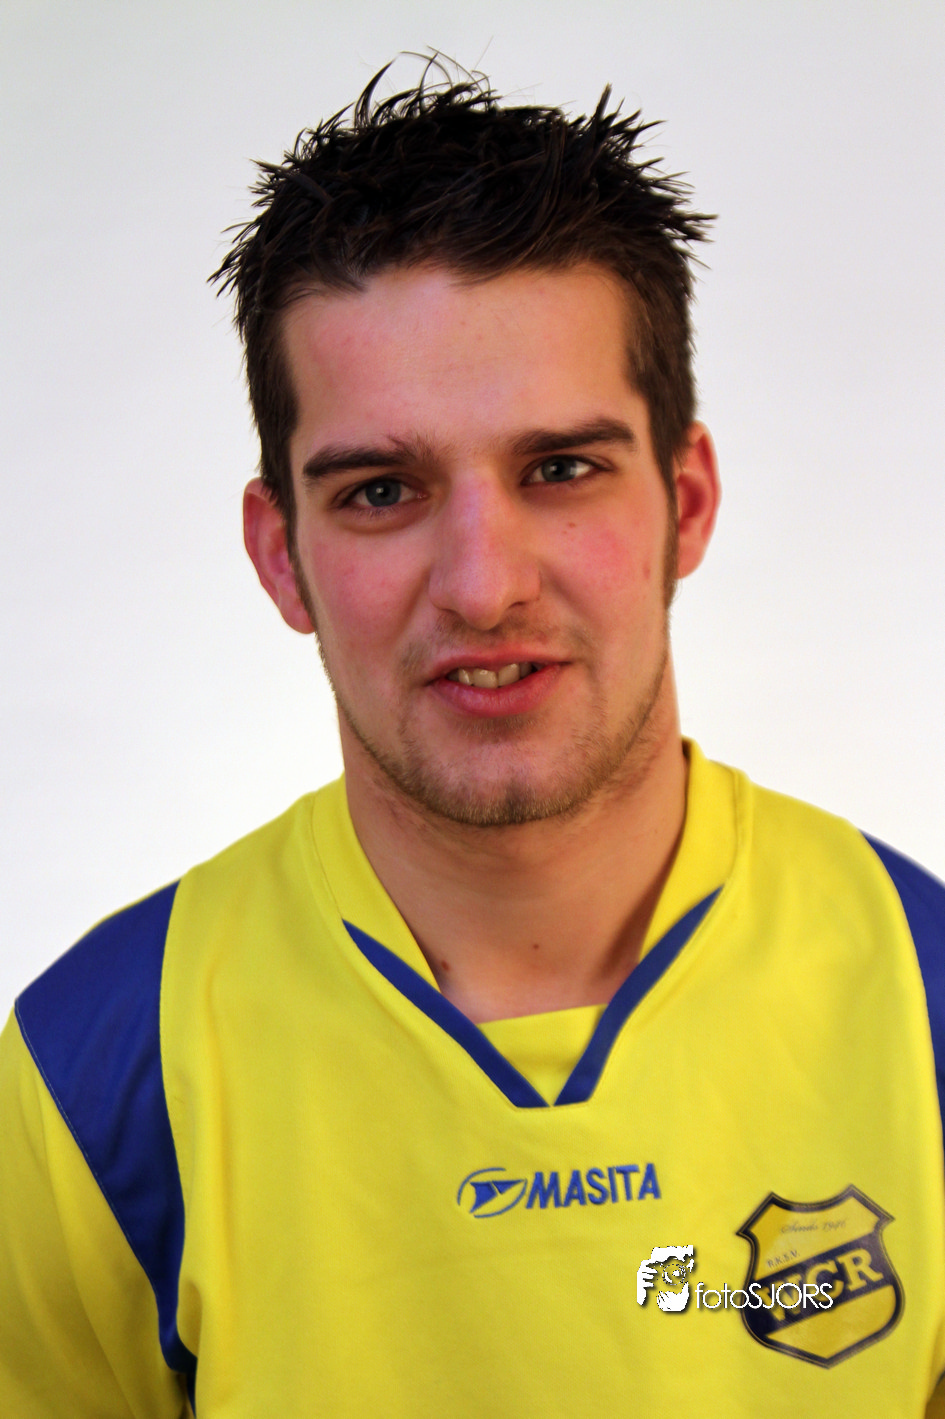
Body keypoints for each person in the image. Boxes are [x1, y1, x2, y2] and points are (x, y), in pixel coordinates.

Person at [1, 64, 944, 1418]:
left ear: (685, 502)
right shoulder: (94, 1073)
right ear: (281, 553)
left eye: (560, 469)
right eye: (383, 490)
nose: (483, 585)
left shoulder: (925, 998)